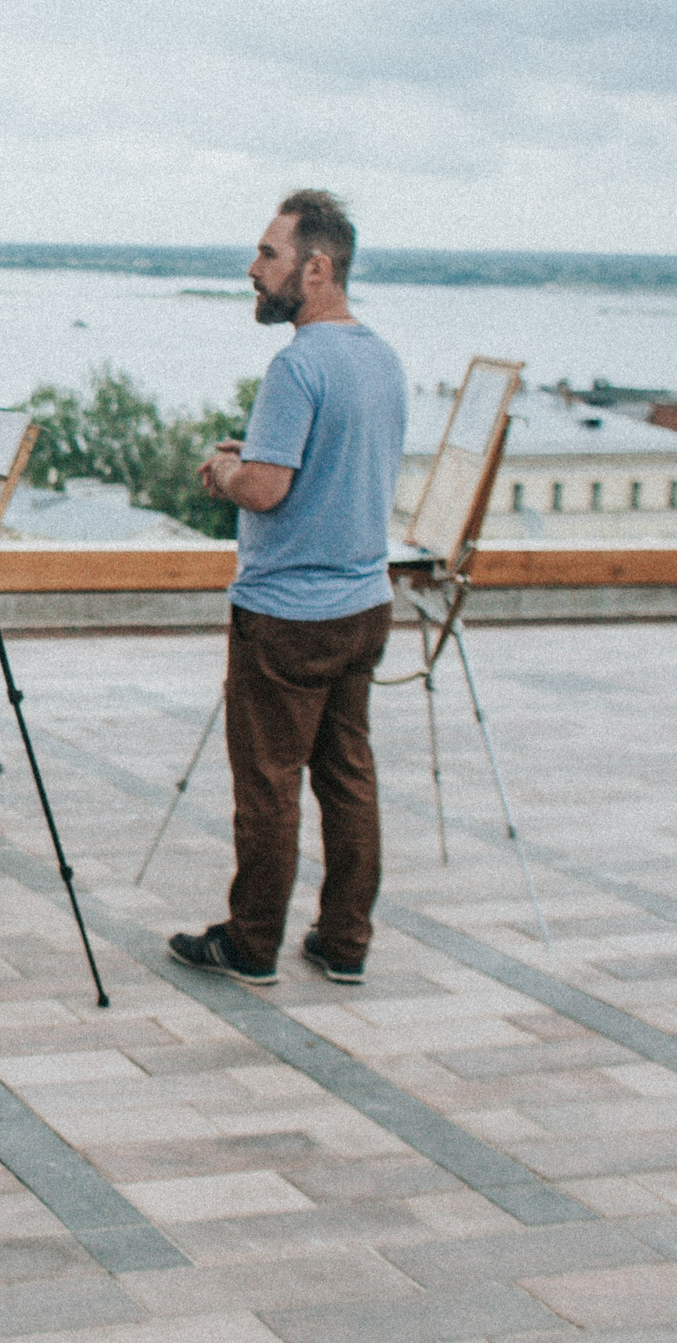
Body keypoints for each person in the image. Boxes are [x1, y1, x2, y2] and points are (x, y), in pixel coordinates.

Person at [171, 190, 407, 989]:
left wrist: (224, 470)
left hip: (287, 617)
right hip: (364, 603)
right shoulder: (381, 358)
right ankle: (345, 940)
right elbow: (335, 463)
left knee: (269, 784)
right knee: (349, 777)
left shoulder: (297, 364)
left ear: (316, 268)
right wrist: (259, 454)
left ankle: (251, 942)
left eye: (269, 255)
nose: (254, 268)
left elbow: (268, 490)